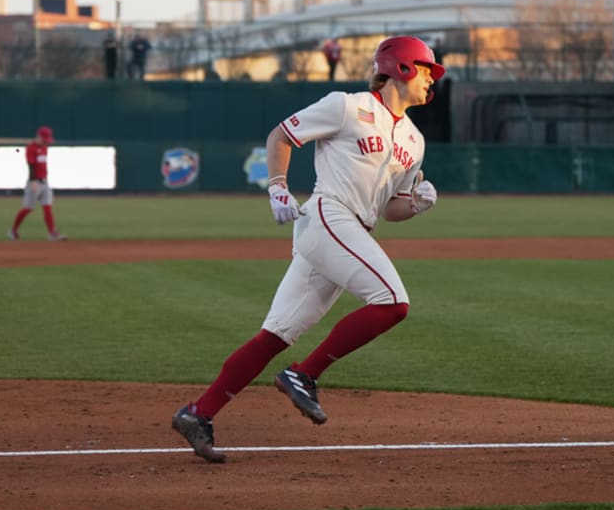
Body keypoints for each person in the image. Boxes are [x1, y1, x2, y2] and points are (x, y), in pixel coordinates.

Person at [172, 35, 445, 463]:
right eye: (428, 70)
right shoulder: (347, 106)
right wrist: (278, 188)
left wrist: (415, 205)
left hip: (353, 229)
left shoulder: (414, 140)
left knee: (273, 336)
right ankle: (304, 375)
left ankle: (197, 413)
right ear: (403, 68)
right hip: (327, 216)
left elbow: (389, 210)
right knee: (393, 302)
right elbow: (280, 136)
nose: (433, 80)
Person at [7, 126, 67, 242]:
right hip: (34, 182)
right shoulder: (31, 148)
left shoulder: (44, 147)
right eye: (45, 138)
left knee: (47, 207)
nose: (46, 141)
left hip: (45, 182)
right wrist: (33, 180)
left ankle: (52, 233)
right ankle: (13, 230)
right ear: (39, 136)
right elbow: (30, 165)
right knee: (28, 208)